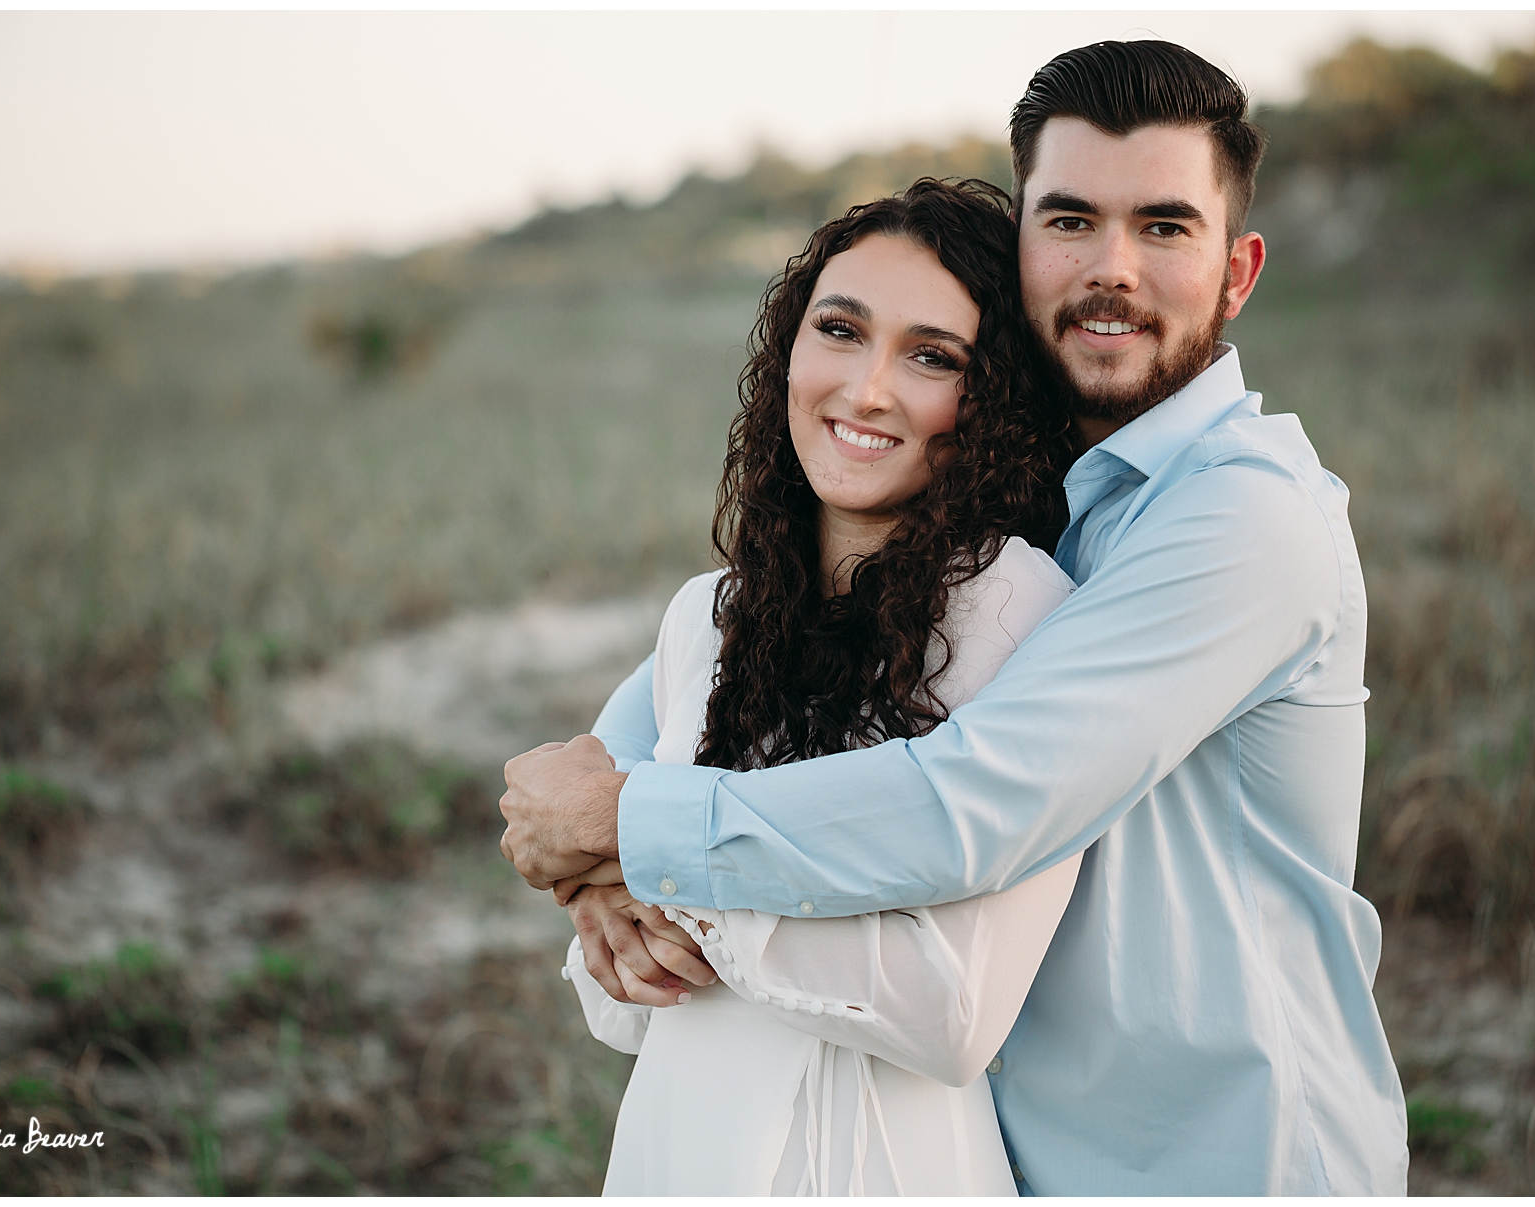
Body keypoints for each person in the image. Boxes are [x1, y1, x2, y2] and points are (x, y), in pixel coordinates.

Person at [503, 40, 1410, 1196]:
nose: (1111, 269)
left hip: (1226, 1156)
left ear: (1238, 273)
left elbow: (973, 803)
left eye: (1165, 228)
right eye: (1071, 220)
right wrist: (599, 865)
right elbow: (633, 742)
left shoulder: (1245, 520)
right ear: (1022, 247)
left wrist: (633, 832)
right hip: (1018, 1153)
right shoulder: (1019, 506)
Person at [558, 178, 1086, 1194]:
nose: (868, 387)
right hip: (680, 1147)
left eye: (933, 355)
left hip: (877, 1161)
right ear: (788, 351)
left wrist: (665, 872)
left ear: (992, 400)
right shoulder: (705, 615)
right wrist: (609, 912)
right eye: (840, 329)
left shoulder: (1019, 611)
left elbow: (954, 1013)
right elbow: (617, 1008)